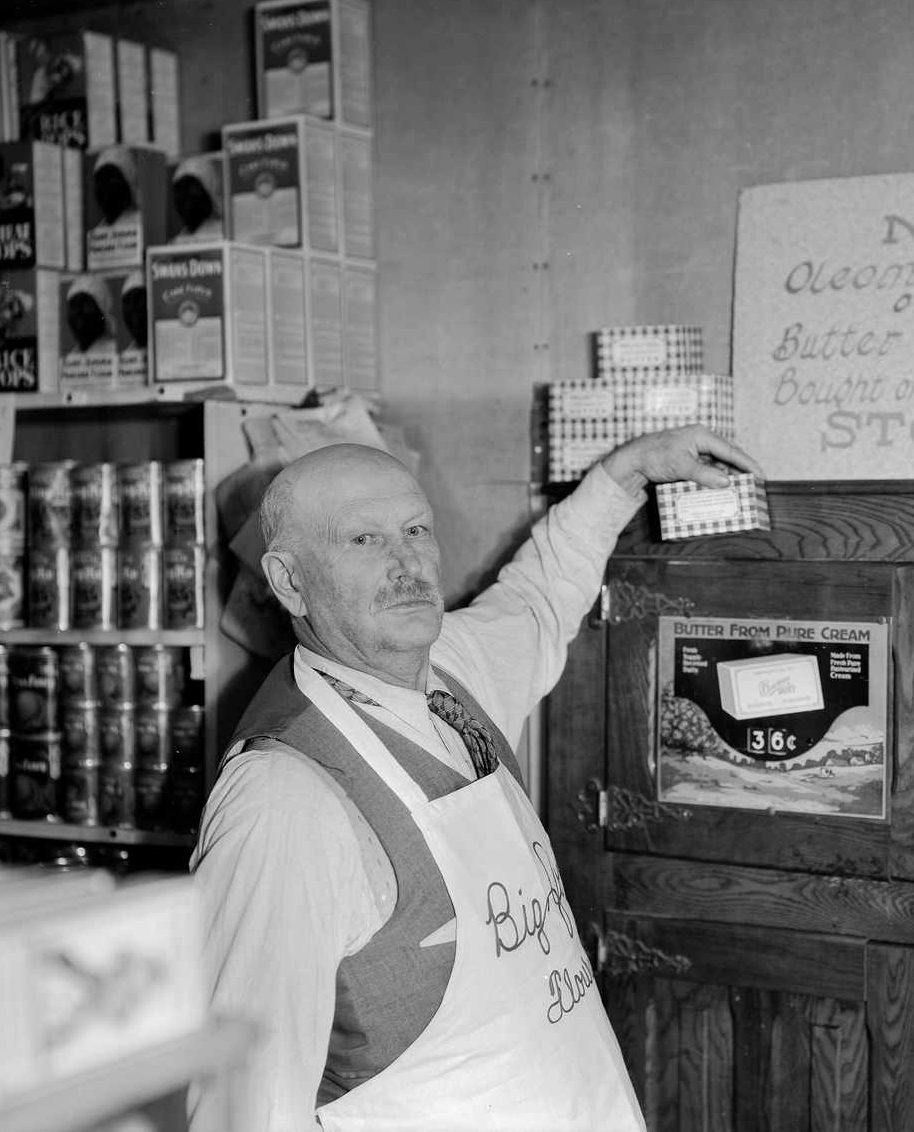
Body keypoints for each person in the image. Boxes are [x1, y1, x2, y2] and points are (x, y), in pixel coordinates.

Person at [188, 426, 760, 1132]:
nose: (404, 561)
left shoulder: (449, 672)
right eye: (361, 540)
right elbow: (239, 1100)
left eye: (415, 529)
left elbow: (538, 597)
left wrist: (623, 475)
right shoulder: (282, 798)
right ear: (288, 580)